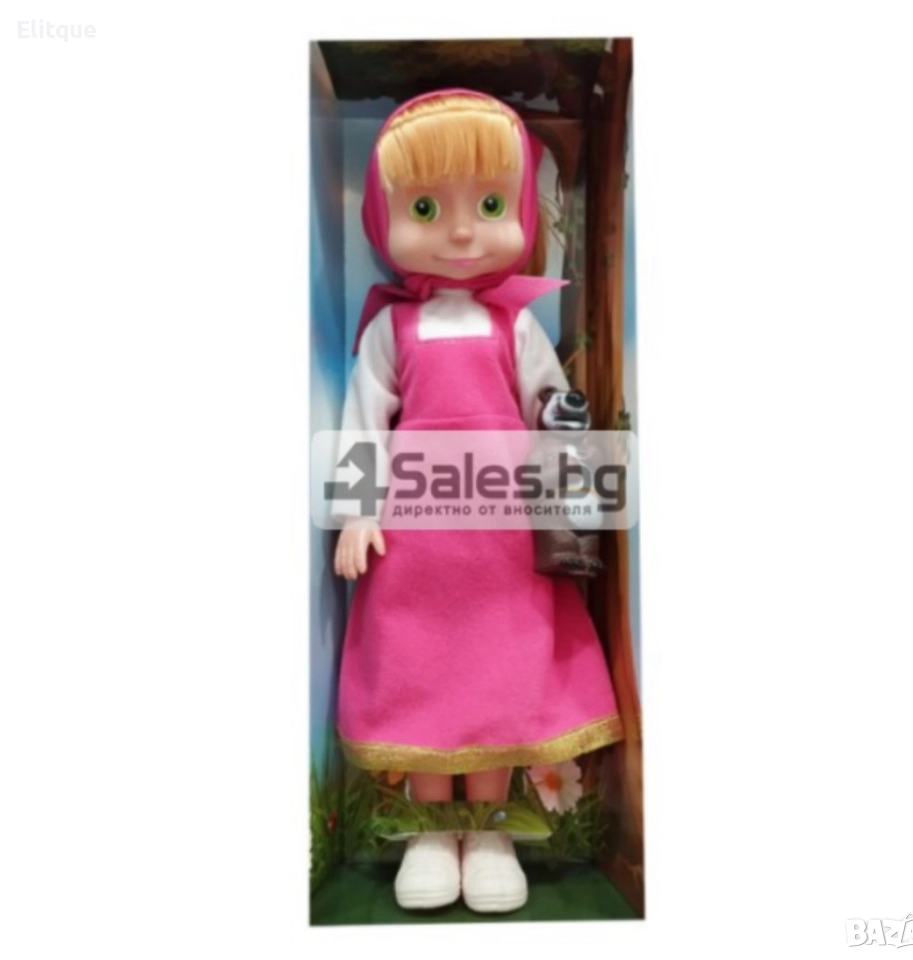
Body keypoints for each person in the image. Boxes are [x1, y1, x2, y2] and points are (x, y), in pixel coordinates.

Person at [333, 89, 622, 913]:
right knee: (419, 674)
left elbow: (553, 416)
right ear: (384, 217)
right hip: (415, 550)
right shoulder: (391, 332)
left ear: (521, 210)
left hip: (503, 547)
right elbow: (363, 425)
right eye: (427, 209)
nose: (461, 232)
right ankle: (431, 832)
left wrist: (572, 487)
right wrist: (357, 511)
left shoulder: (515, 327)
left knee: (499, 673)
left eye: (489, 206)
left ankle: (490, 830)